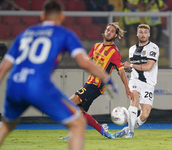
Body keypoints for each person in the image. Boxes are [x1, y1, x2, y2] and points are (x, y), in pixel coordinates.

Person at [0, 1, 117, 150]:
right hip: (38, 85)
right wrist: (107, 79)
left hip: (14, 86)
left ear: (42, 16)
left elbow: (3, 68)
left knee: (6, 125)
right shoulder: (65, 34)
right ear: (62, 17)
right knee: (78, 123)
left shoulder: (25, 33)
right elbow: (84, 62)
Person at [61, 22, 135, 139]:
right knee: (79, 111)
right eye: (107, 30)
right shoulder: (96, 46)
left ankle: (78, 131)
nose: (108, 32)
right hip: (89, 83)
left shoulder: (114, 52)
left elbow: (121, 71)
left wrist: (127, 89)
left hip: (97, 85)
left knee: (69, 103)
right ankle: (102, 130)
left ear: (115, 36)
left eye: (112, 31)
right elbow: (87, 61)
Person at [112, 24, 159, 138]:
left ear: (149, 34)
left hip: (149, 84)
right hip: (135, 81)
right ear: (137, 34)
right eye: (140, 32)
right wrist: (125, 69)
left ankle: (126, 130)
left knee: (144, 115)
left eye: (145, 32)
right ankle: (131, 132)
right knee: (134, 100)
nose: (143, 34)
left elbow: (148, 67)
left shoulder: (153, 48)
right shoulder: (132, 49)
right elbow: (134, 68)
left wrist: (131, 65)